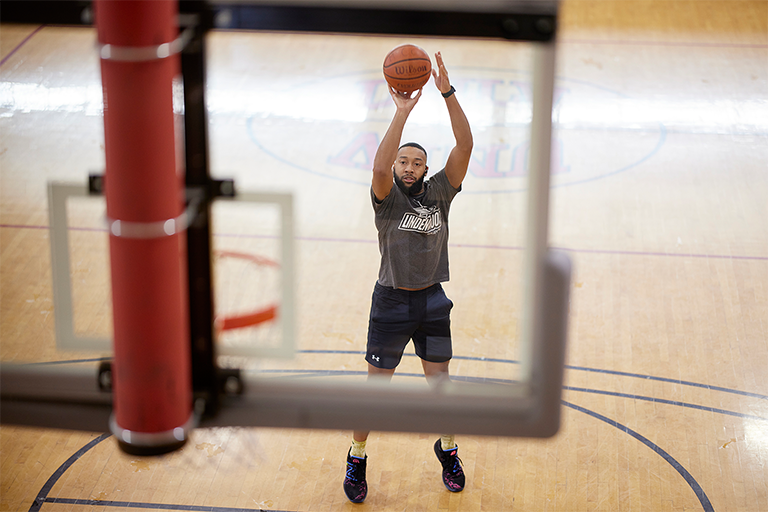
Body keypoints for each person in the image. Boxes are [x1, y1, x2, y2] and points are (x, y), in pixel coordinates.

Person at [343, 51, 473, 504]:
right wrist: (401, 112)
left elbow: (465, 146)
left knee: (442, 389)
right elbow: (378, 168)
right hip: (392, 302)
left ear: (426, 169)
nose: (410, 167)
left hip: (433, 301)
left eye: (417, 162)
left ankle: (448, 449)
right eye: (404, 162)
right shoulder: (387, 198)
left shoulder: (440, 192)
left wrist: (447, 93)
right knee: (375, 395)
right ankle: (357, 454)